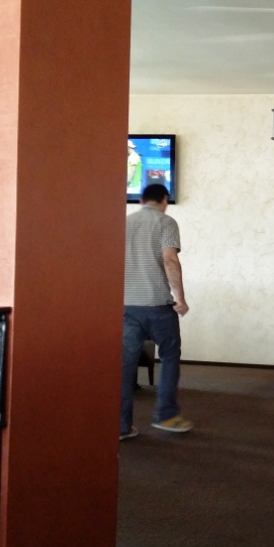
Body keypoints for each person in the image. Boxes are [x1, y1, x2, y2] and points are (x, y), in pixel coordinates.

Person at [120, 183, 191, 440]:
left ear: (141, 200)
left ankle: (121, 426)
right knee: (170, 356)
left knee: (125, 365)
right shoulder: (166, 222)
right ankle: (166, 415)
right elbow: (170, 260)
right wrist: (180, 298)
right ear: (164, 200)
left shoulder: (123, 223)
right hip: (158, 305)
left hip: (126, 306)